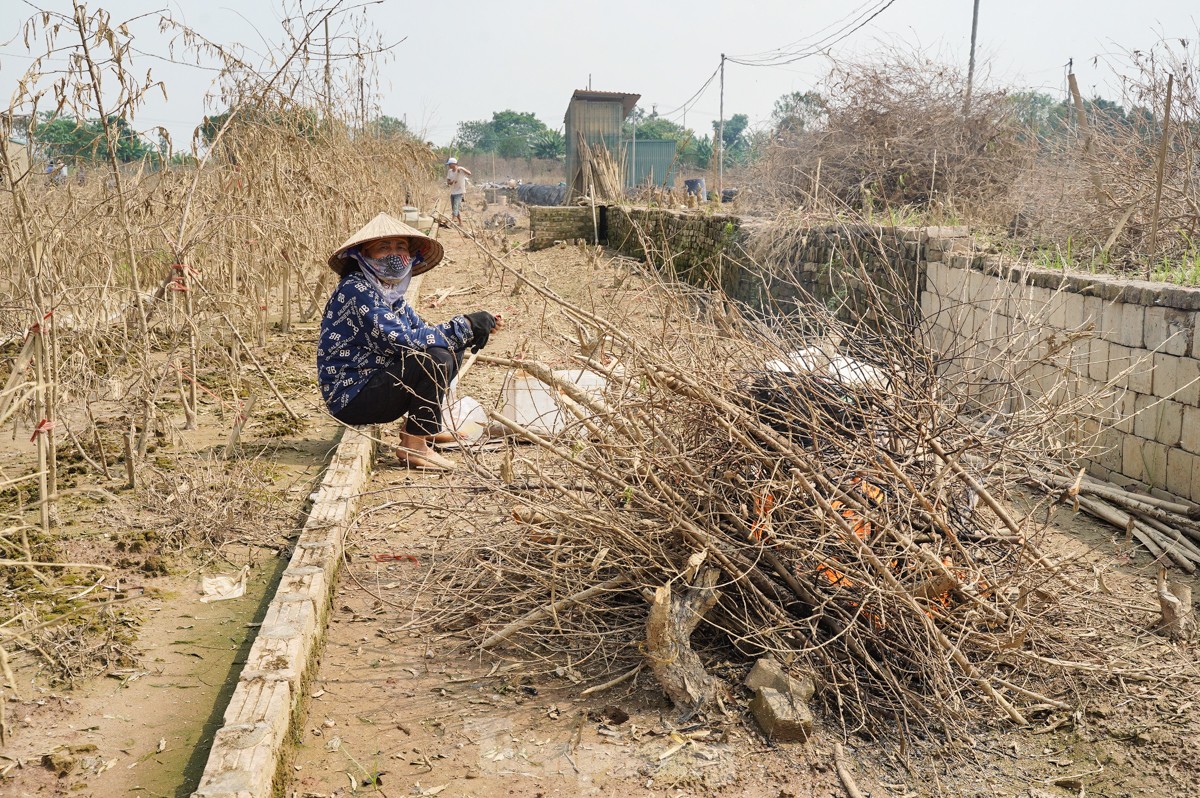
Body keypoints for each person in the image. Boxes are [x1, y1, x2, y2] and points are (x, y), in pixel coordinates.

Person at [317, 212, 500, 470]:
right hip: (352, 396)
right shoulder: (356, 290)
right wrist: (466, 324)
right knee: (435, 358)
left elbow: (426, 332)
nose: (394, 254)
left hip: (377, 384)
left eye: (400, 246)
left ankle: (422, 427)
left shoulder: (389, 293)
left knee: (448, 347)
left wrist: (472, 330)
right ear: (363, 255)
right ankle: (413, 447)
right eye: (383, 247)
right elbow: (403, 341)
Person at [445, 157, 471, 224]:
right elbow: (448, 181)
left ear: (454, 164)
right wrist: (450, 182)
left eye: (449, 164)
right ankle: (460, 222)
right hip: (453, 191)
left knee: (455, 207)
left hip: (459, 192)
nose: (449, 166)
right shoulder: (450, 172)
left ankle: (452, 221)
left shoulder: (461, 170)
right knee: (454, 208)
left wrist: (461, 168)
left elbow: (469, 173)